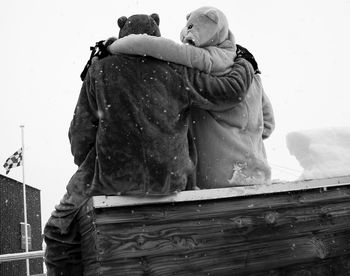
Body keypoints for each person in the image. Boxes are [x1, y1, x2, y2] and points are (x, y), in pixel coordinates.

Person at [44, 49, 255, 275]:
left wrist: (91, 164)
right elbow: (230, 91)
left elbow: (80, 133)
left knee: (58, 230)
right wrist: (245, 63)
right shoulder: (176, 68)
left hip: (111, 181)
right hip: (172, 180)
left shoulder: (100, 68)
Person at [107, 7, 275, 188]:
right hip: (258, 174)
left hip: (217, 178)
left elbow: (160, 48)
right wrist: (243, 134)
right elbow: (268, 125)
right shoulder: (250, 73)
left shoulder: (198, 68)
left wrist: (112, 46)